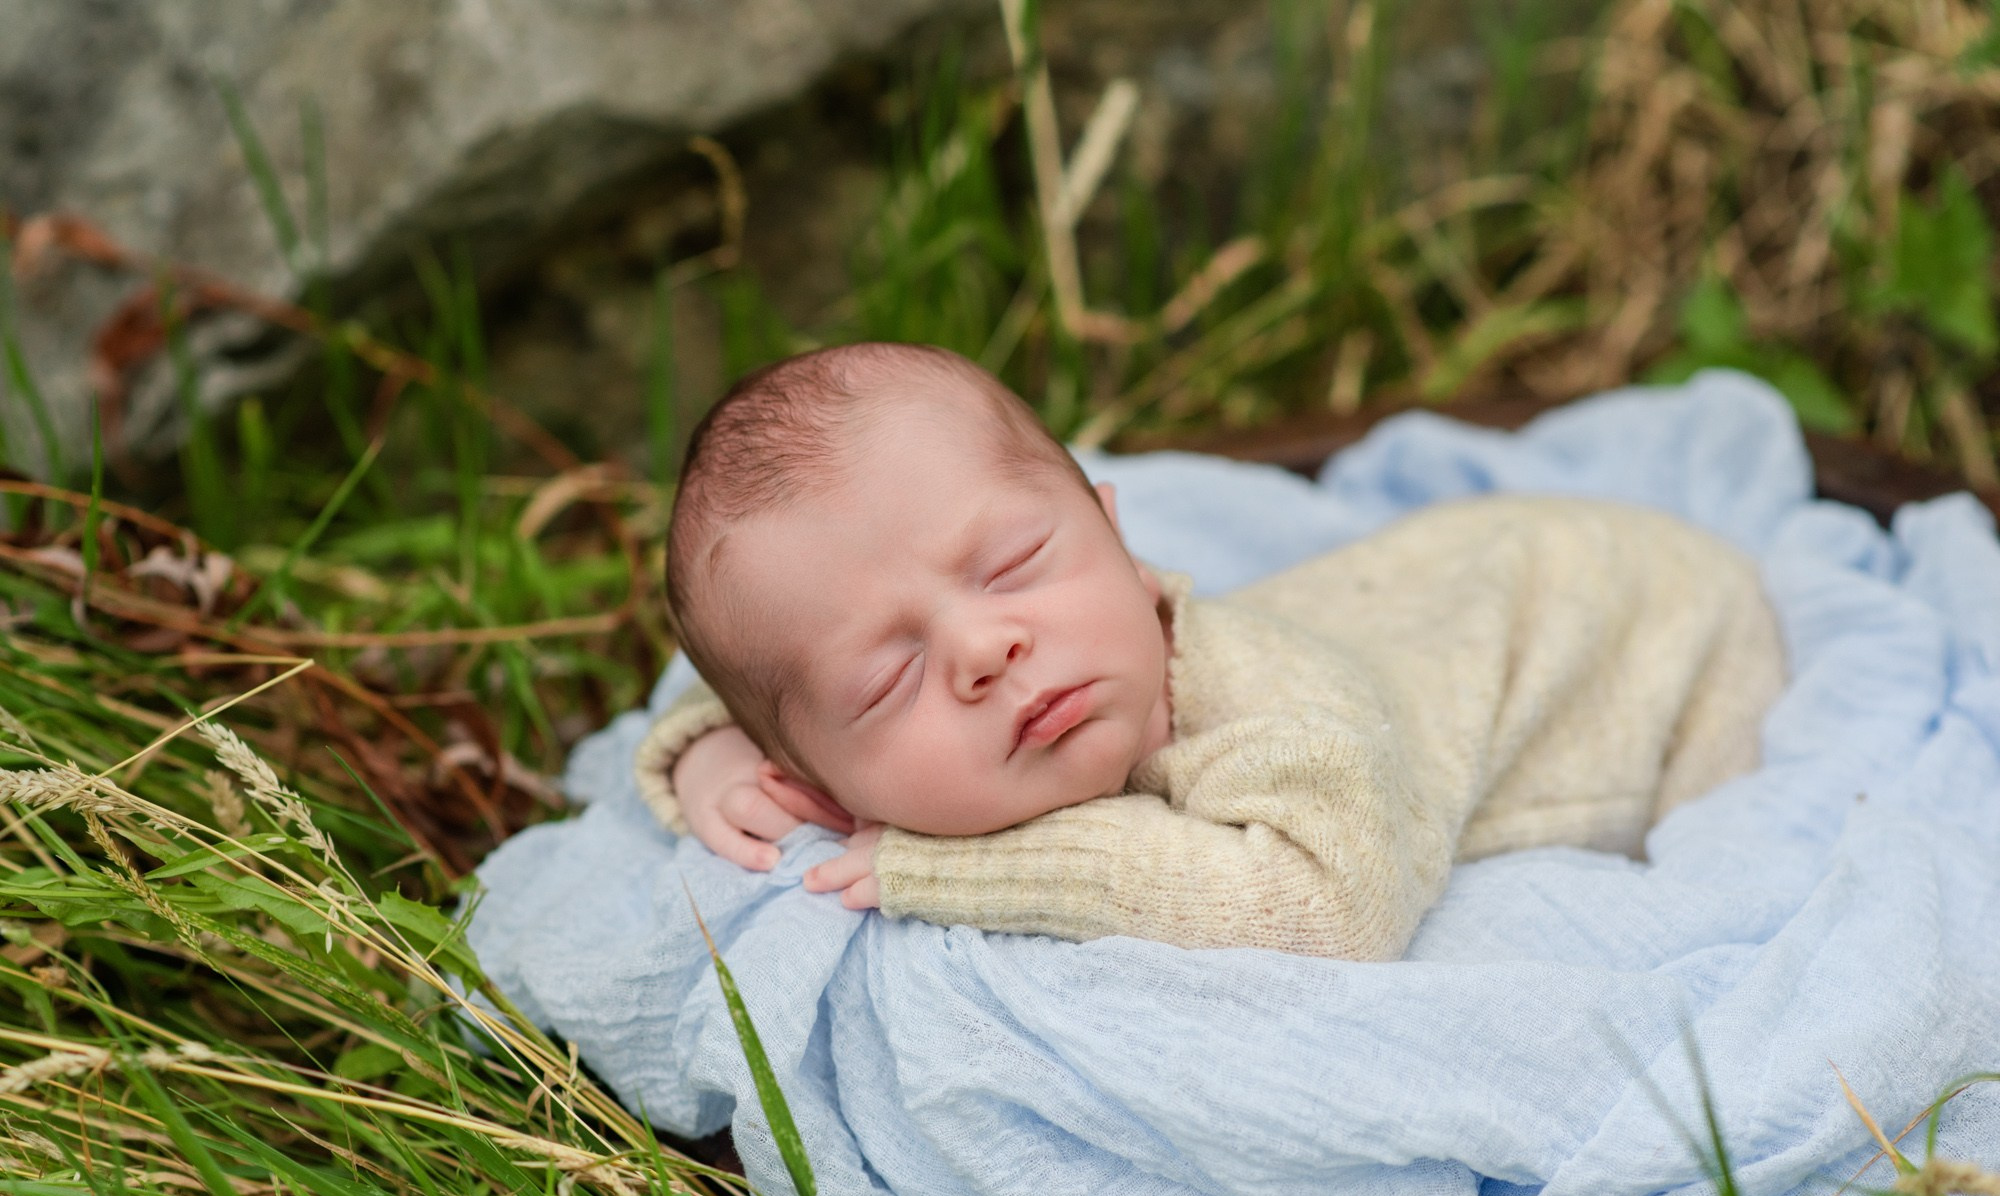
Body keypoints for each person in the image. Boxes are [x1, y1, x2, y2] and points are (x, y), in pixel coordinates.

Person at [634, 342, 1784, 959]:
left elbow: (1334, 912)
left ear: (1118, 540)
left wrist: (947, 870)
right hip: (1465, 582)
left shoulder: (1283, 712)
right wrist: (715, 756)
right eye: (886, 679)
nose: (985, 647)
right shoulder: (838, 743)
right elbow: (766, 684)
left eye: (1014, 564)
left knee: (1731, 876)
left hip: (1645, 627)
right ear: (822, 773)